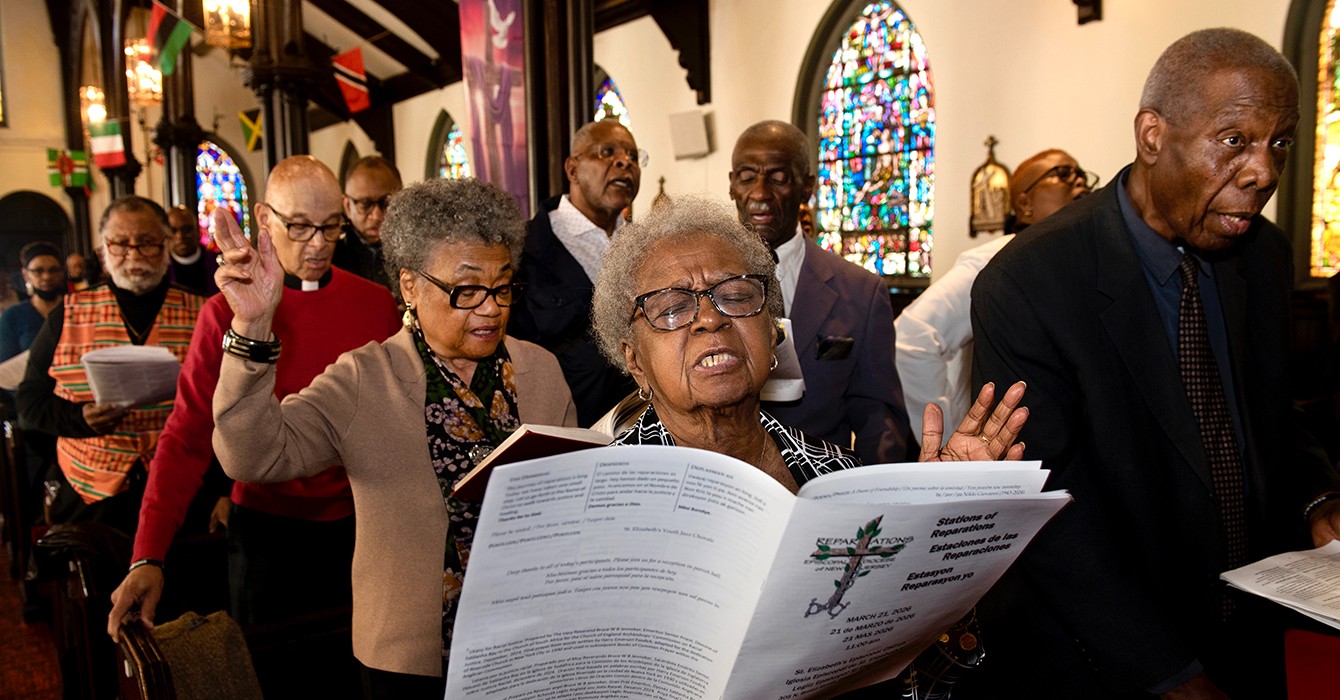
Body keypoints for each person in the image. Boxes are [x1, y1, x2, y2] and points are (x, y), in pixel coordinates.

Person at [968, 28, 1340, 698]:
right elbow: (1047, 505)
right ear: (1152, 135)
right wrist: (1171, 675)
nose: (1264, 171)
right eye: (1235, 140)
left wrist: (1316, 494)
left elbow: (1270, 413)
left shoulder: (1264, 254)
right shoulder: (1032, 280)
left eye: (1278, 141)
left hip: (1245, 631)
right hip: (1101, 657)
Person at [589, 195, 1027, 697]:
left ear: (773, 334)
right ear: (636, 362)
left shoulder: (839, 473)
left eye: (734, 295)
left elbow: (916, 668)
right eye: (671, 307)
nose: (709, 320)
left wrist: (935, 536)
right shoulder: (606, 502)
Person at [210, 177, 576, 698]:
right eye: (466, 290)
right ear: (410, 286)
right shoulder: (365, 379)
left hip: (530, 640)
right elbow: (251, 455)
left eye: (502, 286)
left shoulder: (540, 371)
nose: (491, 308)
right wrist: (252, 326)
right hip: (413, 663)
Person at [107, 157, 401, 641]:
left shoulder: (374, 304)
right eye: (301, 227)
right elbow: (185, 438)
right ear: (264, 218)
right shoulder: (225, 313)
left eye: (331, 228)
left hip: (361, 524)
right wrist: (148, 554)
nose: (318, 244)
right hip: (267, 531)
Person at [18, 196, 205, 534]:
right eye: (120, 244)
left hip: (180, 478)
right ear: (103, 251)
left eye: (147, 243)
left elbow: (228, 402)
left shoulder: (202, 311)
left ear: (165, 246)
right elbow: (30, 400)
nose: (133, 255)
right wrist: (79, 418)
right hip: (91, 484)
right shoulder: (68, 312)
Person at [728, 120, 910, 464]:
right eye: (747, 176)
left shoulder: (861, 292)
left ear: (807, 187)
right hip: (726, 481)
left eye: (778, 177)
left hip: (818, 482)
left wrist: (874, 499)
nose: (760, 193)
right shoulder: (700, 281)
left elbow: (877, 415)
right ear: (732, 185)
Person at [896, 149, 1093, 439]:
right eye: (1063, 173)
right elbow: (913, 336)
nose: (1079, 181)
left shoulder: (1082, 259)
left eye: (1082, 175)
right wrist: (949, 438)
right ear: (1024, 203)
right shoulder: (998, 261)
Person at [509, 119, 641, 426]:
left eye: (633, 157)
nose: (625, 162)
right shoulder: (524, 249)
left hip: (639, 426)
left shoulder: (645, 247)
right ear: (572, 169)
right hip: (563, 428)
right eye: (606, 152)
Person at [333, 155, 402, 290]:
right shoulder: (332, 256)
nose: (377, 216)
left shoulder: (415, 249)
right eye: (365, 204)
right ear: (347, 206)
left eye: (386, 202)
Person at [0, 242, 67, 362]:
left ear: (61, 273)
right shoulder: (13, 316)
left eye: (53, 270)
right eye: (38, 271)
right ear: (26, 274)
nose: (47, 277)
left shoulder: (76, 308)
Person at [165, 205, 218, 296]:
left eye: (186, 229)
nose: (180, 236)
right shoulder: (162, 268)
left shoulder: (217, 262)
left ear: (198, 231)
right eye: (173, 231)